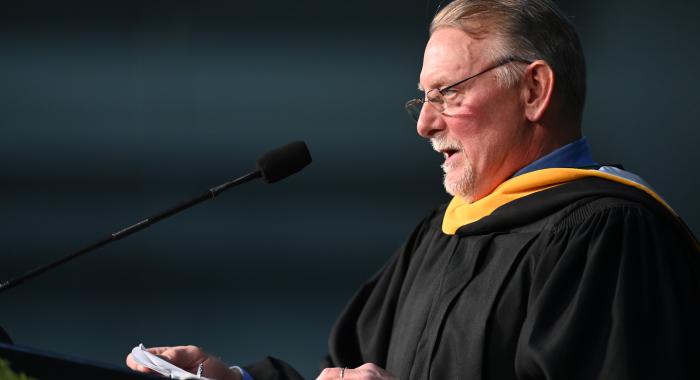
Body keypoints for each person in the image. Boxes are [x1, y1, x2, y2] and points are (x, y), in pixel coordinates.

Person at [127, 0, 700, 379]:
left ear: (534, 91)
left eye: (448, 93)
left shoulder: (610, 236)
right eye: (422, 99)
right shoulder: (443, 234)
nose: (424, 124)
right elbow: (350, 367)